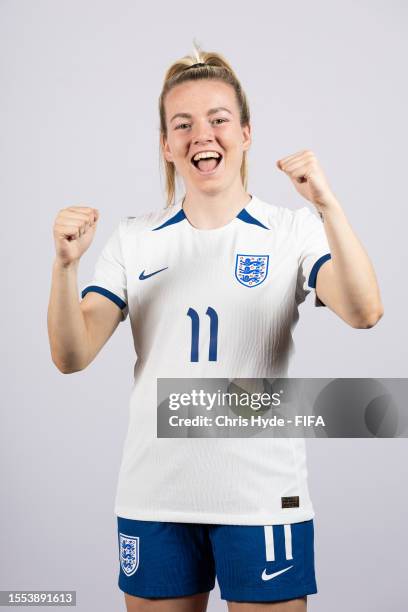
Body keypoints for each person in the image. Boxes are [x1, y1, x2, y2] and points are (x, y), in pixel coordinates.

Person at [47, 41, 384, 612]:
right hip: (155, 495)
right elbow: (71, 355)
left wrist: (328, 206)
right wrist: (65, 266)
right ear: (166, 144)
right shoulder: (134, 237)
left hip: (261, 497)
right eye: (183, 124)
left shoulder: (291, 231)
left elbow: (364, 311)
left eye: (218, 120)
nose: (202, 135)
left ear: (246, 133)